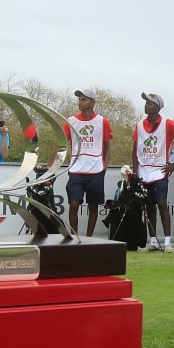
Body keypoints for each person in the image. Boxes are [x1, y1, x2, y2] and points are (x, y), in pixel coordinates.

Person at [133, 92, 174, 252]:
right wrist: (135, 172)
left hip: (160, 170)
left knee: (161, 203)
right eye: (146, 103)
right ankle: (153, 241)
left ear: (157, 107)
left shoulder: (167, 124)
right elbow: (135, 150)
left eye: (150, 103)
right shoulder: (139, 125)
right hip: (143, 171)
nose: (146, 105)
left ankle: (168, 242)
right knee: (149, 206)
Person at [62, 88, 112, 237]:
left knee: (93, 206)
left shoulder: (102, 121)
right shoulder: (70, 121)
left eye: (83, 99)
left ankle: (89, 239)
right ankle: (74, 237)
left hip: (96, 171)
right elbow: (62, 144)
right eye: (79, 99)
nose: (80, 102)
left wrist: (104, 166)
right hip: (76, 170)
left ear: (92, 102)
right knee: (74, 204)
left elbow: (107, 146)